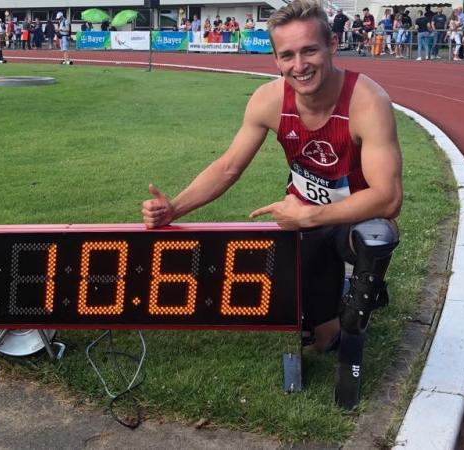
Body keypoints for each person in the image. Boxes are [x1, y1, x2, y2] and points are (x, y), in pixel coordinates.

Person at [141, 2, 402, 408]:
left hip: (355, 217)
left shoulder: (367, 101)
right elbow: (228, 167)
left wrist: (310, 214)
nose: (300, 65)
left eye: (310, 50)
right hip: (305, 218)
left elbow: (389, 198)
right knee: (321, 343)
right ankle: (339, 304)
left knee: (378, 235)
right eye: (287, 55)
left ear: (332, 45)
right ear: (276, 59)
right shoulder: (267, 101)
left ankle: (365, 288)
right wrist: (174, 208)